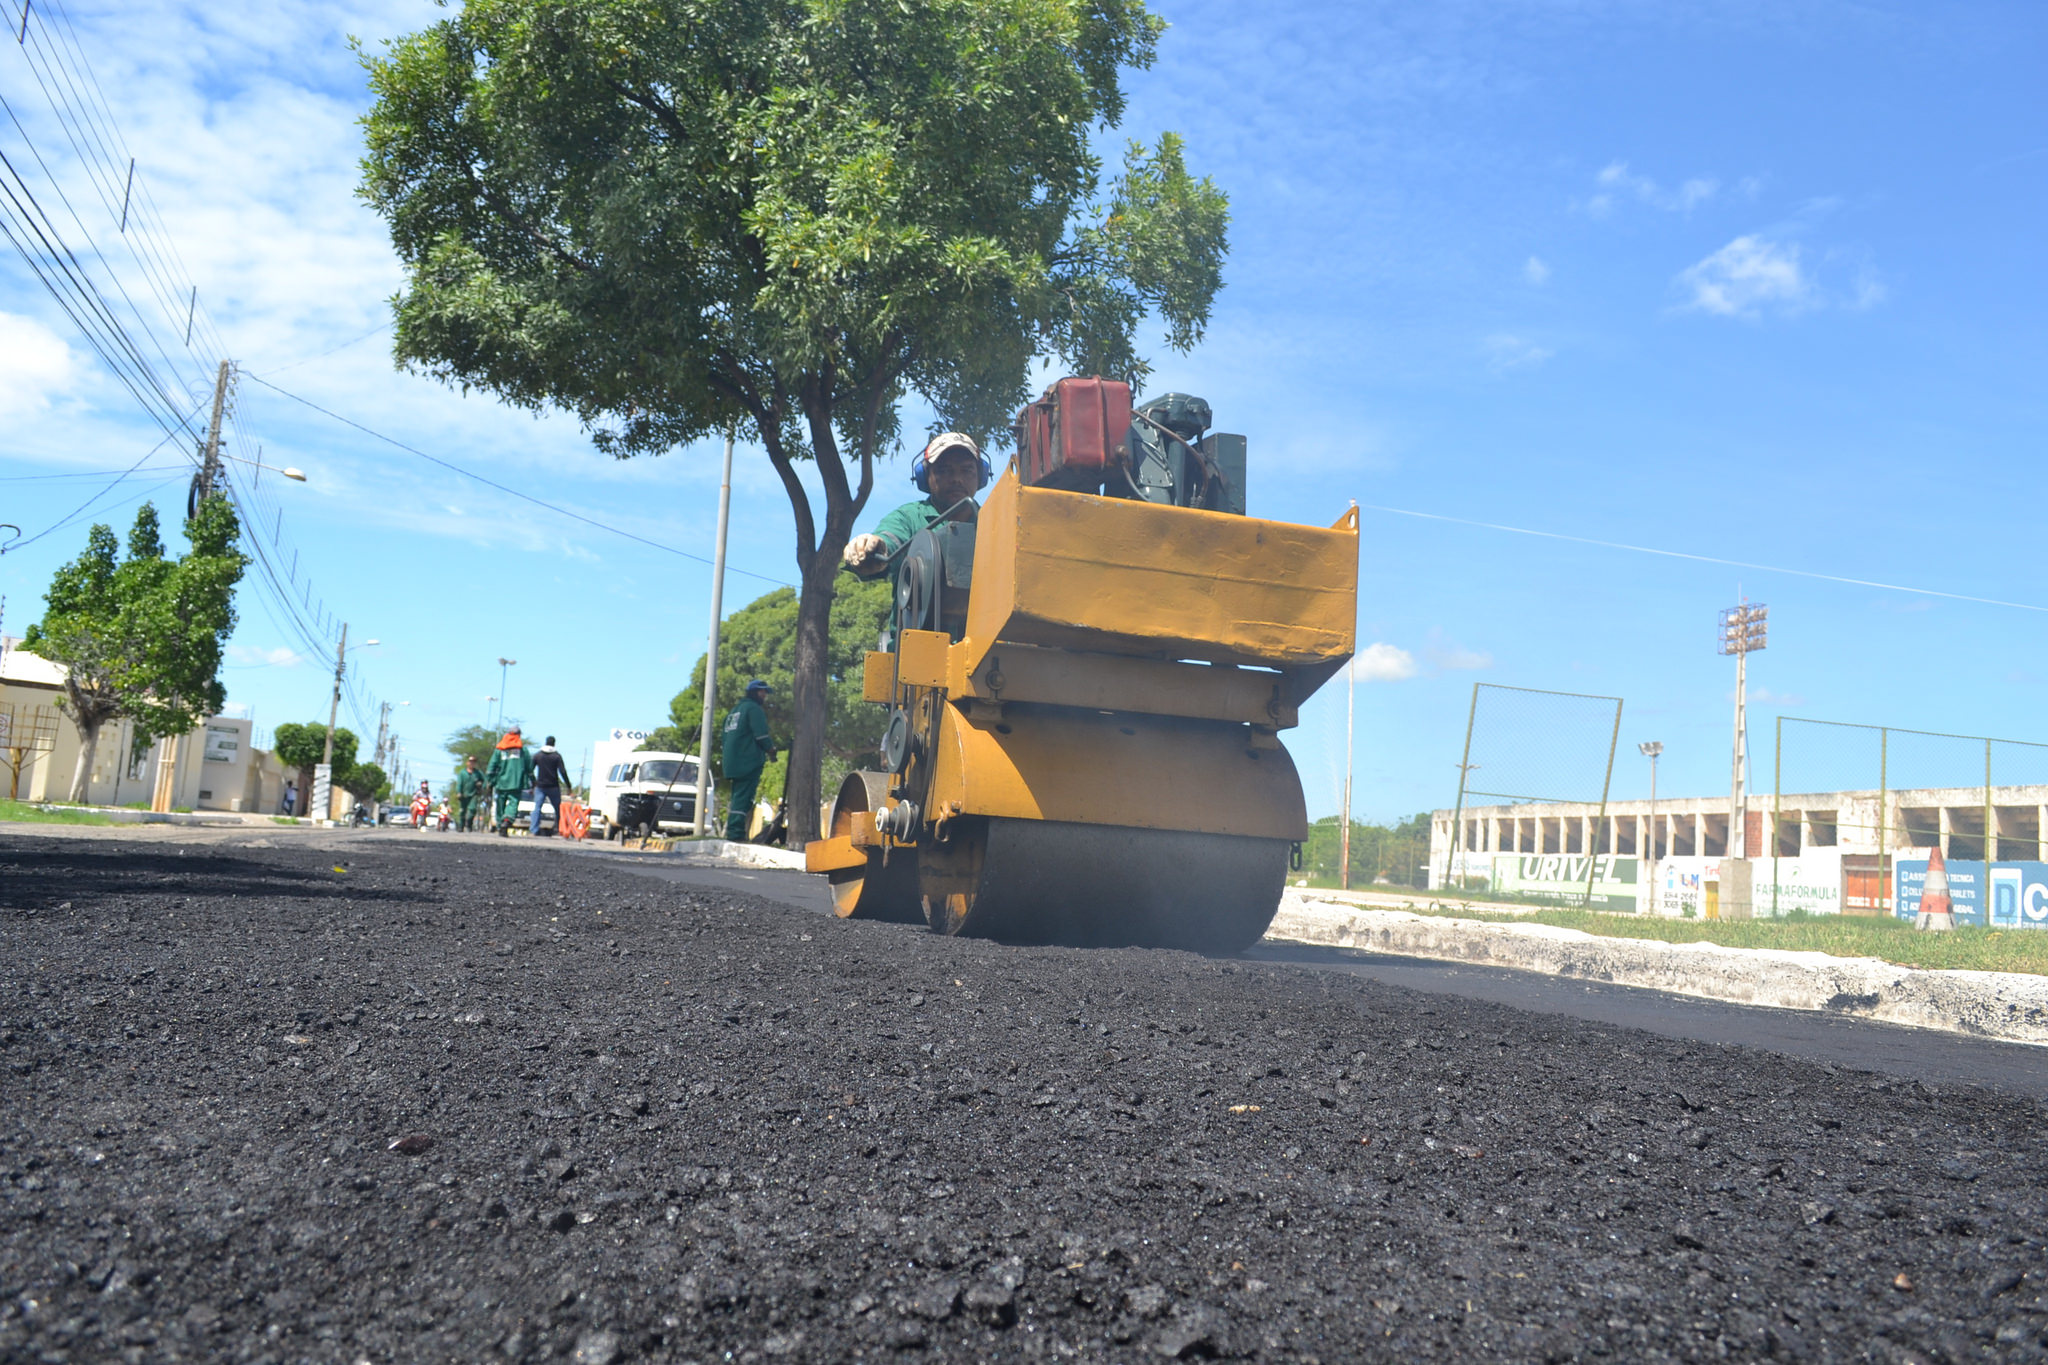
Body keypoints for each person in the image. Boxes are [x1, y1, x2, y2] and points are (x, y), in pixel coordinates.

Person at [841, 432, 990, 588]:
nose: (956, 479)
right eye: (944, 471)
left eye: (966, 471)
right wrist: (874, 549)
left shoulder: (996, 523)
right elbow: (891, 538)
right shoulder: (907, 517)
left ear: (981, 477)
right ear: (925, 477)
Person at [720, 679, 776, 841]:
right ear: (752, 693)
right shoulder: (753, 709)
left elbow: (724, 737)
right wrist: (771, 750)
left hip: (732, 762)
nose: (764, 695)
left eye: (765, 692)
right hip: (748, 761)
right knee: (743, 798)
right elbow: (761, 735)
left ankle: (733, 831)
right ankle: (736, 833)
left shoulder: (733, 712)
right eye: (761, 691)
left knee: (737, 796)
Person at [482, 725, 532, 836]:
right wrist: (533, 781)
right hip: (516, 782)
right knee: (513, 804)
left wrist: (489, 781)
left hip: (501, 782)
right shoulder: (523, 750)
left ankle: (500, 825)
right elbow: (529, 767)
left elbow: (492, 766)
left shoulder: (499, 750)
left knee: (500, 803)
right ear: (519, 735)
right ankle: (507, 821)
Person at [530, 735, 570, 837]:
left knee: (537, 808)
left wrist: (533, 782)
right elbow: (563, 771)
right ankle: (558, 829)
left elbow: (529, 770)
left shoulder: (538, 755)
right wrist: (568, 785)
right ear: (554, 743)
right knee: (557, 809)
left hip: (540, 786)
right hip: (553, 786)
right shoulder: (556, 756)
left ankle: (534, 829)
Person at [455, 755, 482, 832]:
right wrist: (459, 792)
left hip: (473, 795)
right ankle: (461, 826)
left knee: (472, 809)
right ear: (467, 763)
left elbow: (484, 780)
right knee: (462, 811)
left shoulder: (478, 773)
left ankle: (469, 824)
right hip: (464, 795)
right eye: (470, 761)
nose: (472, 763)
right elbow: (459, 783)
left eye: (474, 762)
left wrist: (481, 785)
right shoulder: (462, 773)